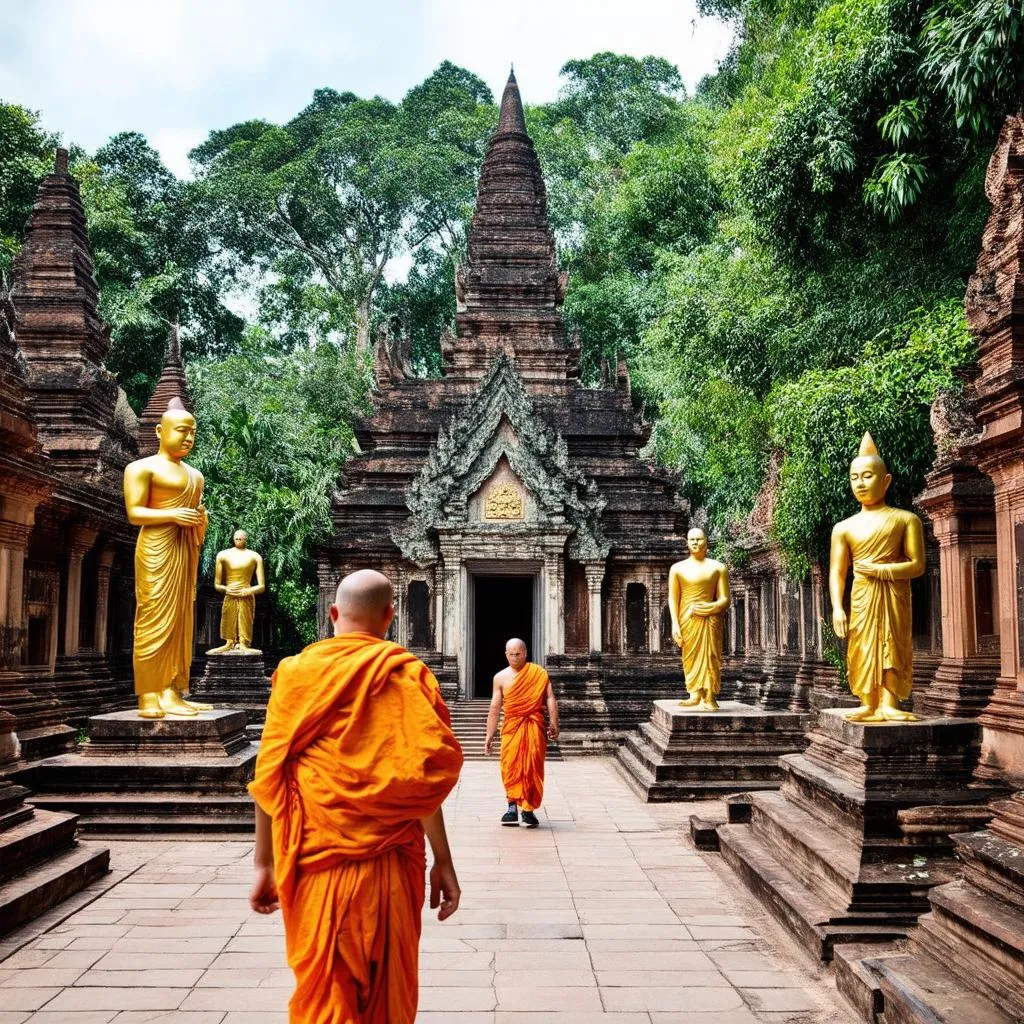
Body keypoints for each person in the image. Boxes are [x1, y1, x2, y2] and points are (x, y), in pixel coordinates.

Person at [248, 569, 464, 1024]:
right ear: (391, 616)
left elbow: (269, 773)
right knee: (385, 997)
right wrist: (442, 861)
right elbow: (420, 781)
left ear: (332, 613)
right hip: (390, 864)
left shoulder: (295, 674)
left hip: (315, 862)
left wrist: (264, 864)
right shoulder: (408, 675)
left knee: (327, 996)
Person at [123, 397, 211, 719]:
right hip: (156, 550)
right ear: (160, 431)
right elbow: (135, 513)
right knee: (152, 619)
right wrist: (174, 514)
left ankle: (172, 691)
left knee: (179, 621)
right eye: (181, 431)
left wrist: (199, 520)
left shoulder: (195, 476)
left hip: (184, 549)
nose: (188, 438)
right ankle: (148, 694)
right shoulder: (140, 468)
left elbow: (193, 517)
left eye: (192, 433)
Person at [830, 432, 925, 722]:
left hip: (894, 594)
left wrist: (883, 570)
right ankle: (868, 701)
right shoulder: (843, 528)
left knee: (893, 643)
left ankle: (890, 702)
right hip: (862, 595)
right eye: (854, 477)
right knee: (862, 645)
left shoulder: (906, 519)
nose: (860, 483)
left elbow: (918, 565)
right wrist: (837, 607)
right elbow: (837, 571)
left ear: (886, 481)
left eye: (867, 476)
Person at [484, 638, 559, 828]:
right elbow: (494, 707)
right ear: (506, 654)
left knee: (532, 766)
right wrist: (489, 735)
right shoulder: (500, 678)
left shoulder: (539, 673)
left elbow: (550, 698)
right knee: (510, 765)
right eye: (511, 654)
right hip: (511, 727)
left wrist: (554, 722)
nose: (515, 657)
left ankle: (528, 810)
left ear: (525, 653)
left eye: (518, 654)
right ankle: (511, 807)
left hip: (533, 725)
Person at [668, 528, 731, 711]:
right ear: (686, 543)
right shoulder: (677, 569)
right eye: (691, 539)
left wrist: (711, 607)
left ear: (707, 542)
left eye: (699, 539)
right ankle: (694, 693)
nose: (695, 543)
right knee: (690, 656)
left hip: (710, 619)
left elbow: (725, 599)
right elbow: (673, 598)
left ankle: (710, 695)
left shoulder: (718, 567)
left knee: (711, 656)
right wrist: (674, 623)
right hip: (688, 618)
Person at [208, 529, 266, 654]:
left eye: (241, 539)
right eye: (236, 538)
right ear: (233, 539)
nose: (238, 541)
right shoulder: (223, 555)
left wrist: (249, 590)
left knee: (245, 619)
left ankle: (244, 643)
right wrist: (226, 589)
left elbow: (261, 586)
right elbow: (217, 585)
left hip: (246, 594)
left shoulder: (255, 556)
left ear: (246, 539)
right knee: (228, 616)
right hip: (230, 593)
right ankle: (229, 643)